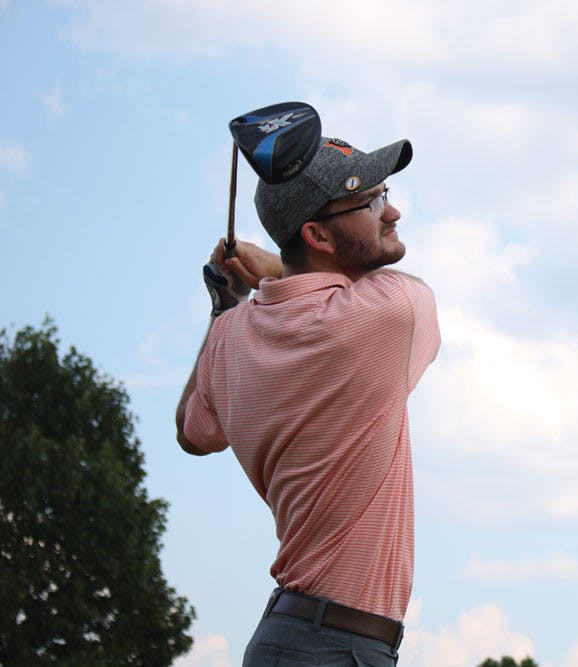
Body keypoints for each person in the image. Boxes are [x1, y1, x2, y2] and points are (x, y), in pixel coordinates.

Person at [175, 134, 440, 666]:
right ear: (316, 233)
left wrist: (227, 306)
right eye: (371, 203)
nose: (393, 212)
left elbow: (194, 431)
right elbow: (325, 291)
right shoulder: (393, 310)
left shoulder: (230, 335)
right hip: (334, 646)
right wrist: (276, 268)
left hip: (302, 637)